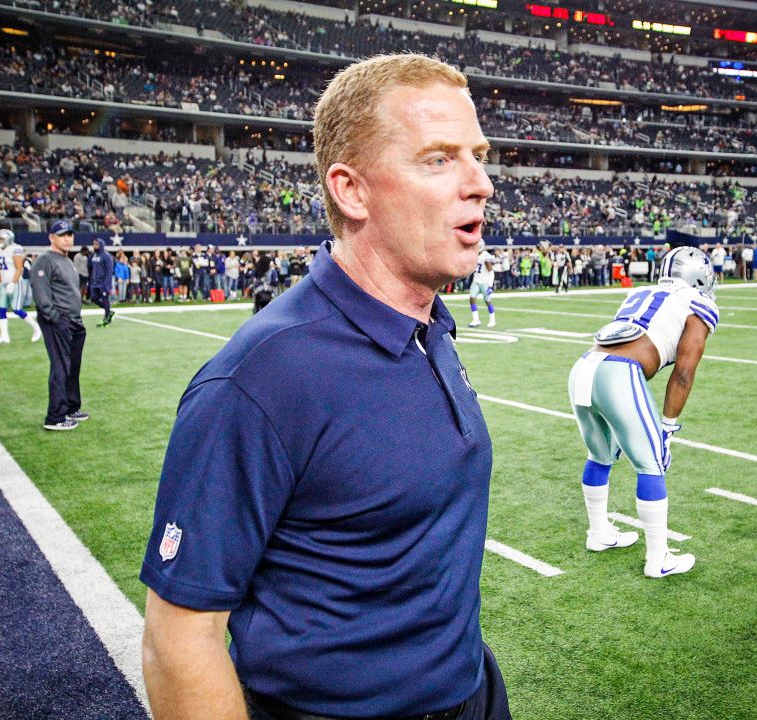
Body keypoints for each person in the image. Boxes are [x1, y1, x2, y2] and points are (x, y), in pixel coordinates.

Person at [140, 54, 511, 720]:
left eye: (478, 155)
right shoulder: (262, 377)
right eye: (439, 159)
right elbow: (180, 639)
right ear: (352, 190)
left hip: (470, 695)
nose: (480, 183)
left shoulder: (430, 328)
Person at [567, 246, 718, 579]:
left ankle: (599, 533)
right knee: (652, 463)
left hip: (583, 368)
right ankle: (658, 558)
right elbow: (684, 372)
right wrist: (667, 426)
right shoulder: (698, 303)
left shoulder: (642, 291)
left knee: (599, 455)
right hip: (619, 372)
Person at [31, 220, 88, 431]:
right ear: (51, 237)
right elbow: (41, 294)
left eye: (69, 235)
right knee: (60, 367)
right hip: (59, 321)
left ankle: (71, 407)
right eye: (62, 235)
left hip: (74, 320)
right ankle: (55, 416)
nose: (67, 238)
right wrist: (55, 317)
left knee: (73, 367)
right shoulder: (45, 260)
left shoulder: (67, 260)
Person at [0, 229, 42, 344]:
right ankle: (4, 336)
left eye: (1, 239)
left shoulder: (15, 249)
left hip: (15, 282)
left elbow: (19, 268)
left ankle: (36, 328)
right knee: (1, 309)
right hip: (3, 282)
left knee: (17, 309)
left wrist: (13, 283)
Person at [468, 240, 497, 327]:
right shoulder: (475, 255)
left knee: (487, 301)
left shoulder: (485, 256)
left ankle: (493, 320)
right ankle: (476, 320)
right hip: (476, 280)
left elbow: (491, 272)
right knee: (472, 298)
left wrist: (490, 286)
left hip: (484, 281)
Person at [88, 237, 115, 325]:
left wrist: (107, 284)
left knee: (105, 299)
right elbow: (91, 268)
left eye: (96, 244)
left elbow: (109, 271)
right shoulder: (93, 255)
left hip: (103, 283)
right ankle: (109, 311)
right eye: (93, 244)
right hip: (95, 282)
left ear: (101, 245)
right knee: (93, 298)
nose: (94, 246)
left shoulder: (107, 256)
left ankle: (106, 318)